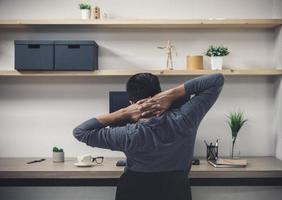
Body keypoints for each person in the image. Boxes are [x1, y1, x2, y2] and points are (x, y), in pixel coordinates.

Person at [73, 73, 224, 200]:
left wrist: (123, 112)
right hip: (177, 192)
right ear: (159, 94)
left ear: (132, 102)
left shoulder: (126, 134)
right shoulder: (185, 119)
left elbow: (80, 132)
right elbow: (217, 80)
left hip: (133, 193)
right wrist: (170, 96)